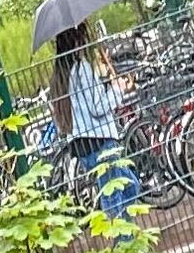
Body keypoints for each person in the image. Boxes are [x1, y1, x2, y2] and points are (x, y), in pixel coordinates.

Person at [47, 17, 137, 215]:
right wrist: (116, 89)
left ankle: (128, 239)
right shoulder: (82, 68)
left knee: (131, 187)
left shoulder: (60, 74)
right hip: (101, 142)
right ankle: (124, 243)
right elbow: (98, 107)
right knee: (113, 197)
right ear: (78, 39)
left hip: (81, 145)